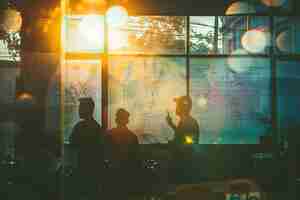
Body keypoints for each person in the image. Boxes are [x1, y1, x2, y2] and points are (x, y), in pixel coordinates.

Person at [70, 97, 106, 200]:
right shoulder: (97, 127)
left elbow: (72, 143)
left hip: (82, 168)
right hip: (94, 170)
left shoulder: (79, 127)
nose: (78, 110)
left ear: (87, 109)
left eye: (81, 107)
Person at [107, 108, 139, 199]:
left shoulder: (109, 134)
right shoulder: (132, 136)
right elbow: (136, 157)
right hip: (128, 173)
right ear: (127, 120)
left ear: (116, 120)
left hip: (113, 171)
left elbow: (106, 152)